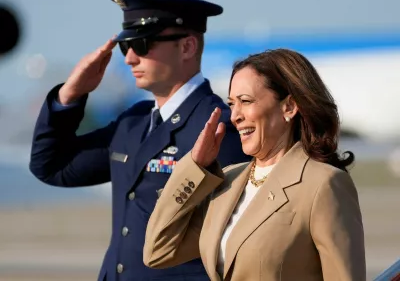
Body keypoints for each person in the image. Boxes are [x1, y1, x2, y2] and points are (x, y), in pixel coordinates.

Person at [29, 0, 251, 281]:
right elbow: (51, 166)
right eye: (125, 47)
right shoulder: (132, 124)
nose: (130, 58)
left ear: (187, 47)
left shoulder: (218, 127)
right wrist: (70, 94)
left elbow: (241, 234)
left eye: (142, 44)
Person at [143, 48, 367, 281]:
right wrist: (194, 168)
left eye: (246, 101)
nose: (234, 116)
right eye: (232, 103)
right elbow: (157, 252)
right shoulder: (228, 181)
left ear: (289, 107)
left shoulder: (323, 184)